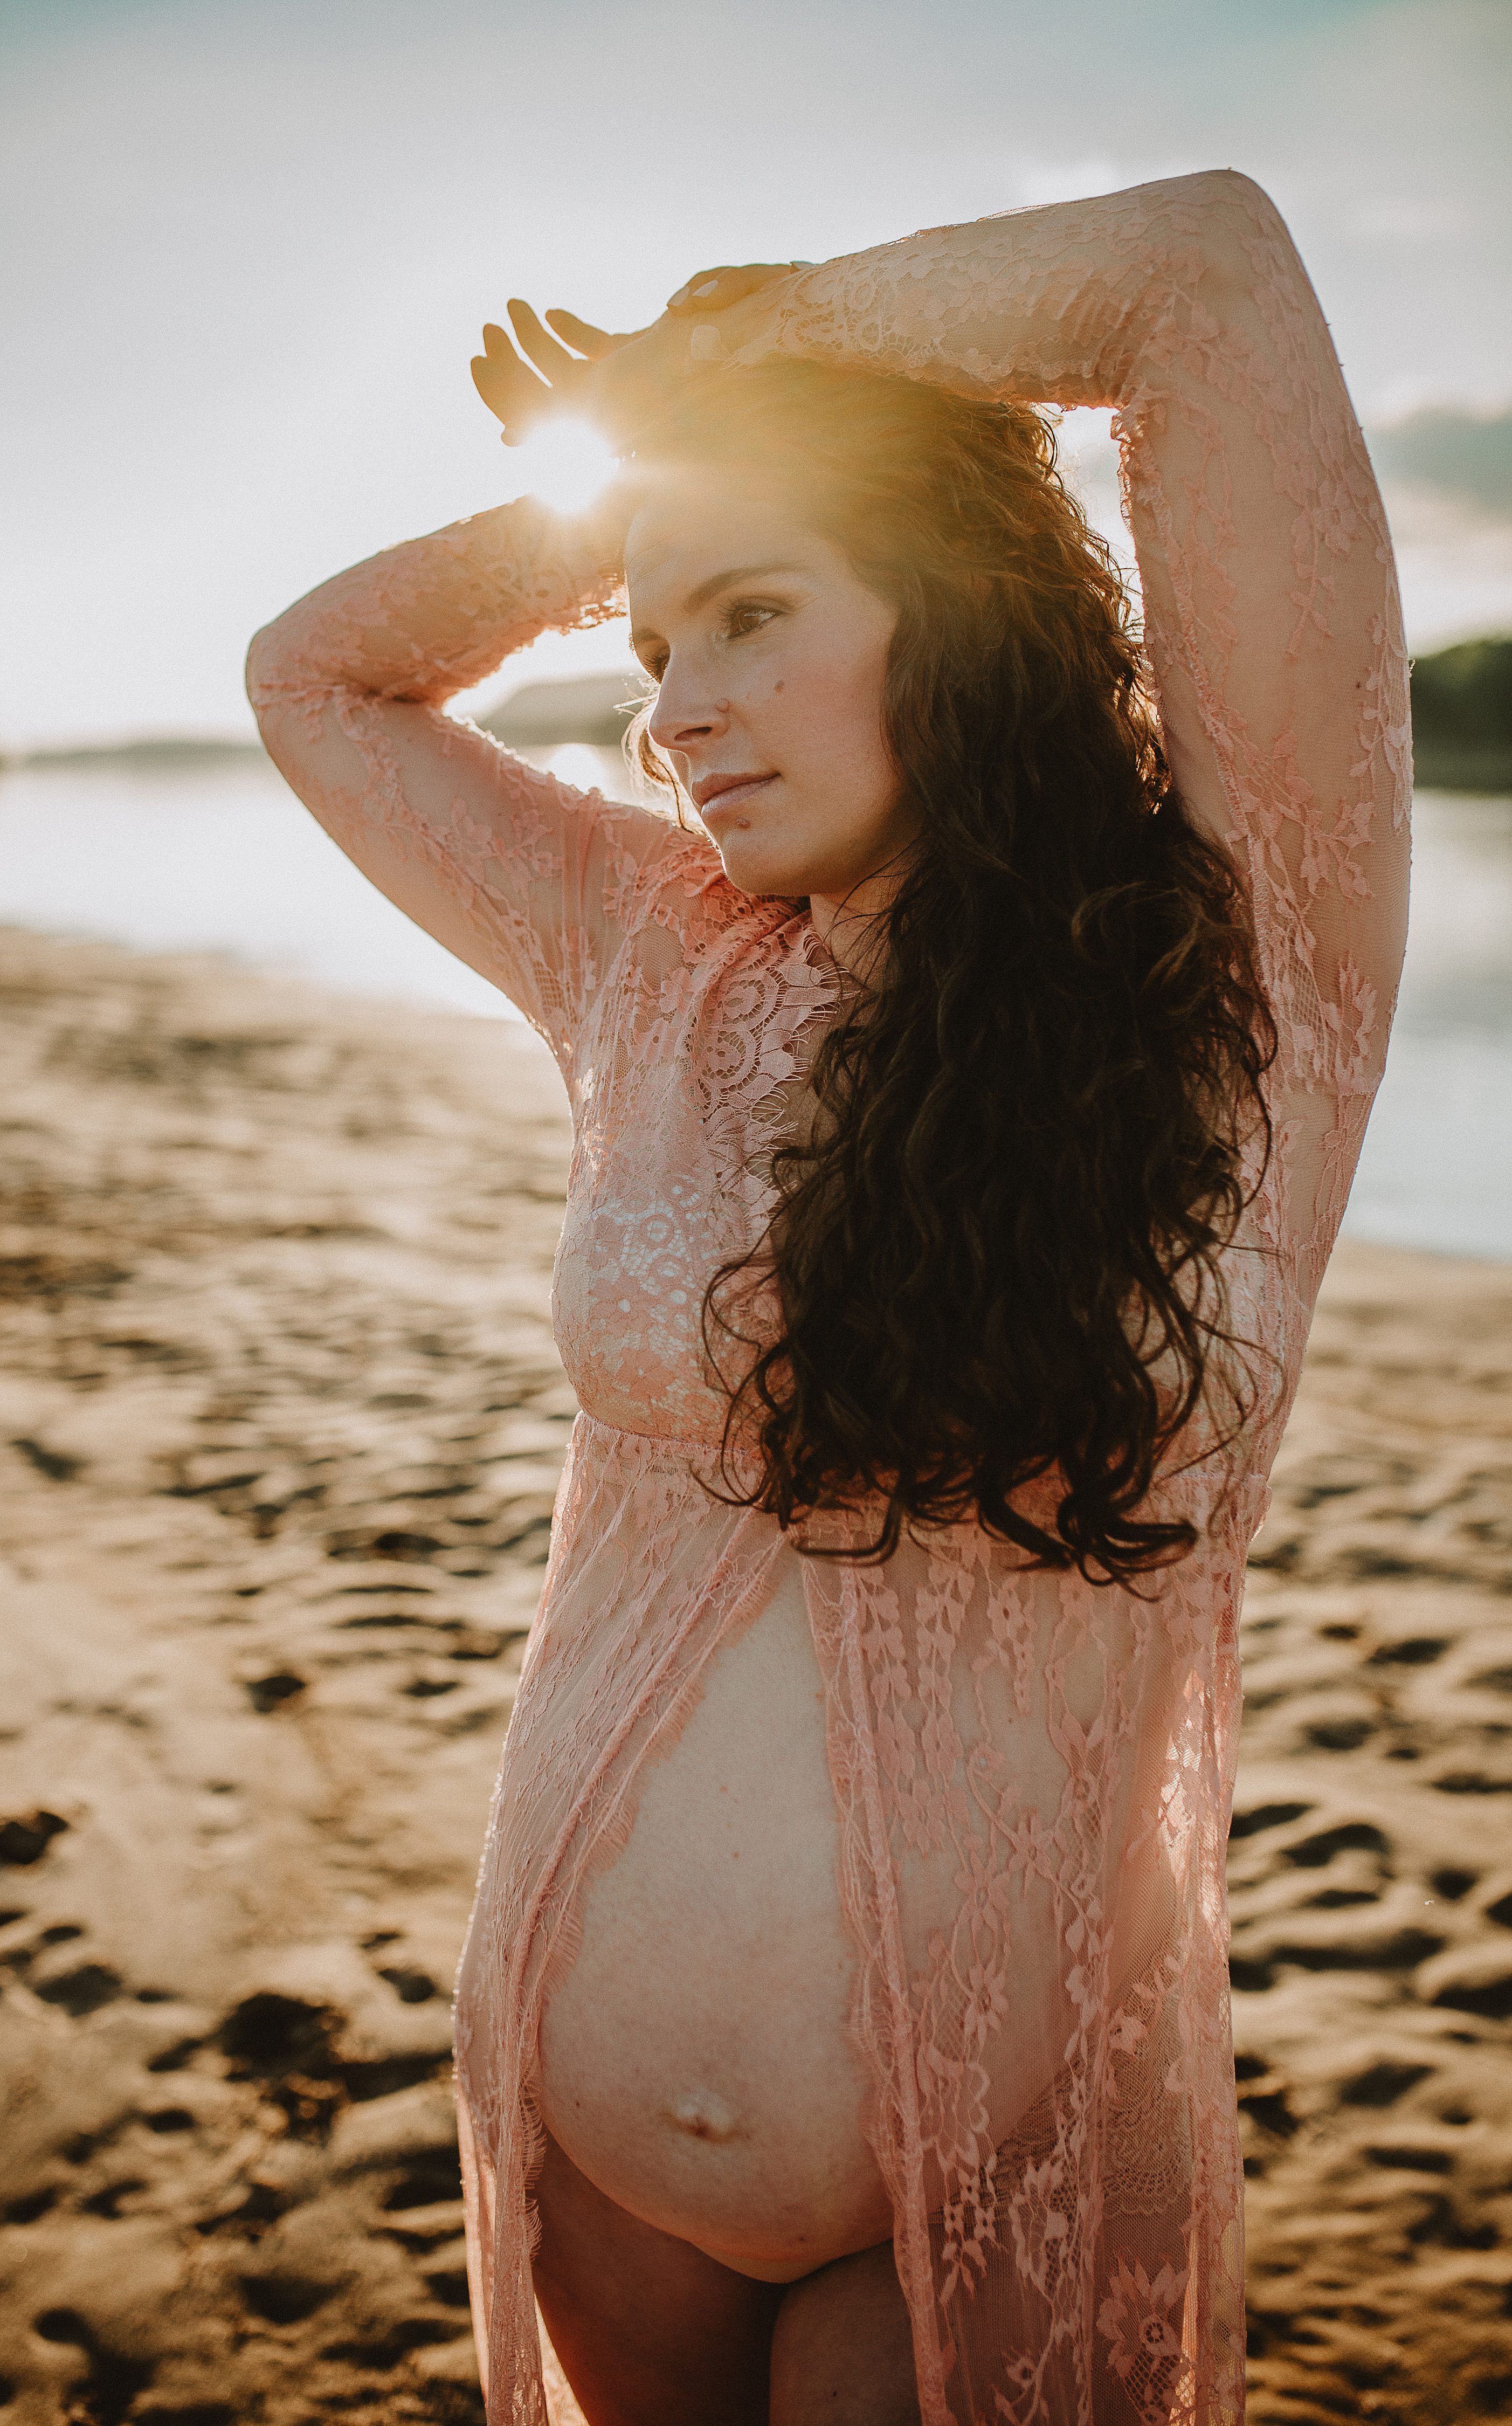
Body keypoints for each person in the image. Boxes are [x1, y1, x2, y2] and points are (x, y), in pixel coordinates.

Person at [247, 169, 1409, 2426]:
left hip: (976, 2185)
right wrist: (663, 510)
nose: (675, 708)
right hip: (595, 2152)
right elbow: (317, 673)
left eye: (756, 615)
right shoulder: (646, 959)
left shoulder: (1245, 988)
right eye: (652, 649)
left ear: (960, 609)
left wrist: (738, 367)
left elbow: (1209, 279)